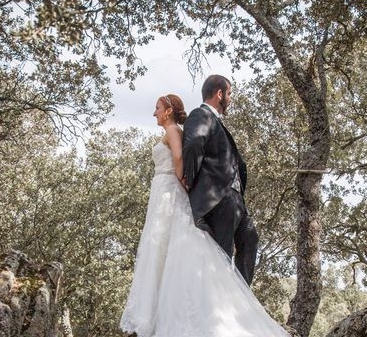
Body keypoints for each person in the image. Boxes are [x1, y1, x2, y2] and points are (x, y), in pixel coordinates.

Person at [120, 92, 289, 337]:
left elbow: (180, 157)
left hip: (170, 189)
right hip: (162, 191)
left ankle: (221, 308)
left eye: (157, 108)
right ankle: (157, 310)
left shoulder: (173, 131)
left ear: (168, 110)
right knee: (159, 248)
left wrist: (181, 180)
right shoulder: (170, 131)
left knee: (177, 247)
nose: (154, 112)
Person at [183, 74, 258, 285]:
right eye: (230, 94)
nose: (230, 99)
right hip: (219, 199)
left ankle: (240, 296)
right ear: (219, 94)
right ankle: (221, 304)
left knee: (250, 238)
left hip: (235, 200)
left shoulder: (214, 120)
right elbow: (193, 145)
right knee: (222, 255)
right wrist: (191, 182)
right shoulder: (200, 114)